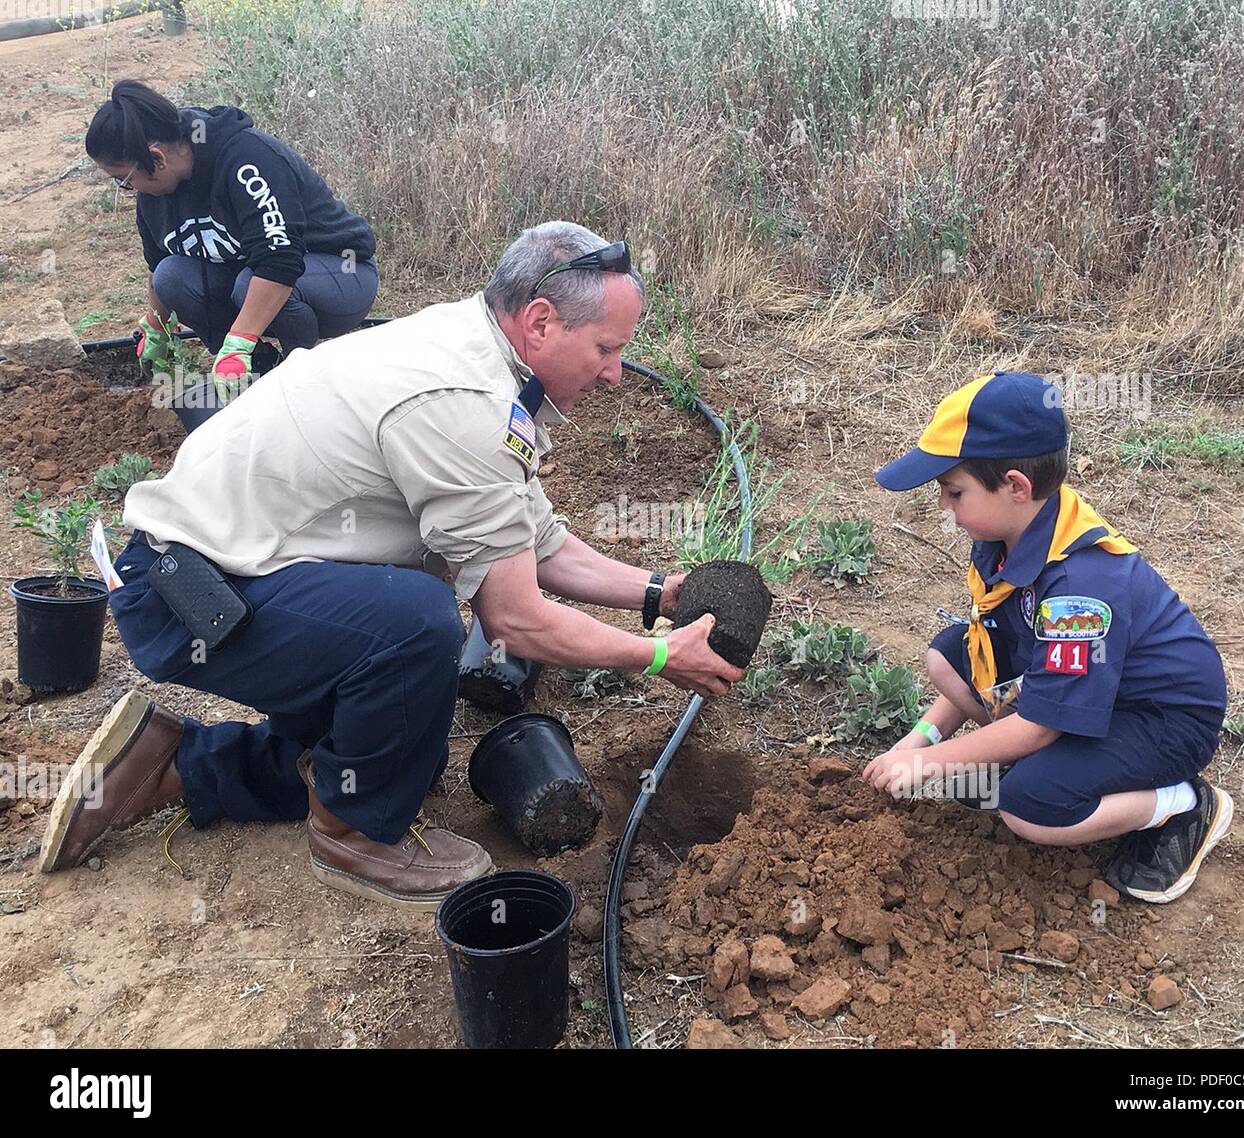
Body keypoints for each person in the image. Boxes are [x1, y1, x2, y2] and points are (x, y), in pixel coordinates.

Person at [39, 221, 743, 911]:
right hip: (186, 598)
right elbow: (514, 619)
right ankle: (351, 836)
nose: (618, 374)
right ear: (539, 321)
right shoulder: (464, 405)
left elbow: (538, 540)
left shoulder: (476, 353)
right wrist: (656, 657)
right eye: (607, 349)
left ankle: (165, 767)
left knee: (404, 748)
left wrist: (658, 593)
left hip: (232, 570)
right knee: (416, 624)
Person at [862, 371, 1232, 903]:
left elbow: (1037, 726)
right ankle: (1044, 760)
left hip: (1160, 719)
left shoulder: (1081, 590)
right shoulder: (1014, 530)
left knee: (1027, 807)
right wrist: (920, 740)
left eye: (954, 492)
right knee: (947, 657)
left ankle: (1183, 804)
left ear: (1016, 485)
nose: (945, 506)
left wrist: (924, 766)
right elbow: (986, 646)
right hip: (1088, 687)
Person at [85, 79, 378, 426]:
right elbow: (159, 268)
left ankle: (304, 377)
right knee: (172, 276)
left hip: (341, 274)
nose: (127, 189)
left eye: (123, 179)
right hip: (260, 278)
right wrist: (156, 324)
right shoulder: (154, 197)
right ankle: (260, 371)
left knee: (247, 283)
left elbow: (279, 260)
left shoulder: (245, 159)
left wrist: (238, 342)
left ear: (156, 158)